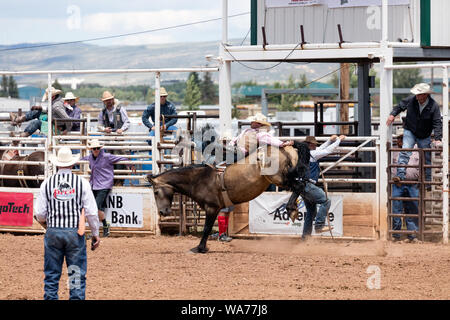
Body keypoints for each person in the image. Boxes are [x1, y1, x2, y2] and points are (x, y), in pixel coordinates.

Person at [35, 146, 100, 300]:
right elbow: (91, 212)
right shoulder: (81, 183)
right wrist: (95, 233)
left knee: (51, 274)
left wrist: (48, 222)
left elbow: (40, 213)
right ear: (72, 164)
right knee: (76, 274)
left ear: (57, 164)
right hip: (74, 233)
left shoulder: (47, 183)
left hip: (53, 232)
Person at [386, 83, 442, 186]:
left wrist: (438, 138)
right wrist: (392, 114)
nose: (417, 96)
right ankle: (400, 175)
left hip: (424, 134)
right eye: (417, 94)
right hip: (410, 130)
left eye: (419, 94)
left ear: (425, 95)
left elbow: (437, 122)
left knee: (426, 156)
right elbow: (400, 106)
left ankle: (428, 181)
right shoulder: (412, 100)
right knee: (405, 150)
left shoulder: (433, 106)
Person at [81, 139, 135, 237]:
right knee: (98, 209)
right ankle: (105, 226)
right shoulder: (90, 157)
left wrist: (130, 164)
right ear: (92, 149)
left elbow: (121, 158)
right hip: (94, 185)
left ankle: (95, 232)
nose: (96, 150)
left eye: (97, 148)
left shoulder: (107, 157)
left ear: (100, 148)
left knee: (94, 207)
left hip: (104, 185)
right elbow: (81, 160)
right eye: (94, 148)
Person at [301, 134, 345, 239]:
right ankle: (319, 225)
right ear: (310, 145)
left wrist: (329, 140)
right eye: (314, 144)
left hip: (302, 186)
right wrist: (338, 140)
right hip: (308, 185)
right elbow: (327, 151)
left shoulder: (307, 153)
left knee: (311, 212)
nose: (316, 146)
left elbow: (321, 149)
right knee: (326, 201)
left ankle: (305, 238)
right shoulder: (312, 153)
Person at [229, 113, 293, 163]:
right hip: (235, 149)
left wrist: (283, 144)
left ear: (259, 124)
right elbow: (235, 139)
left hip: (240, 153)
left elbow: (272, 140)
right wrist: (230, 145)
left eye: (253, 121)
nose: (251, 122)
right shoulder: (247, 131)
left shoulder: (261, 134)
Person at [392, 133, 420, 243]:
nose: (400, 141)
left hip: (412, 183)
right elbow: (388, 167)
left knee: (412, 208)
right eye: (399, 139)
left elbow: (421, 166)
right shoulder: (393, 151)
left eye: (402, 139)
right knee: (396, 209)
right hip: (398, 184)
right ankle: (396, 235)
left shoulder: (416, 150)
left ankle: (412, 235)